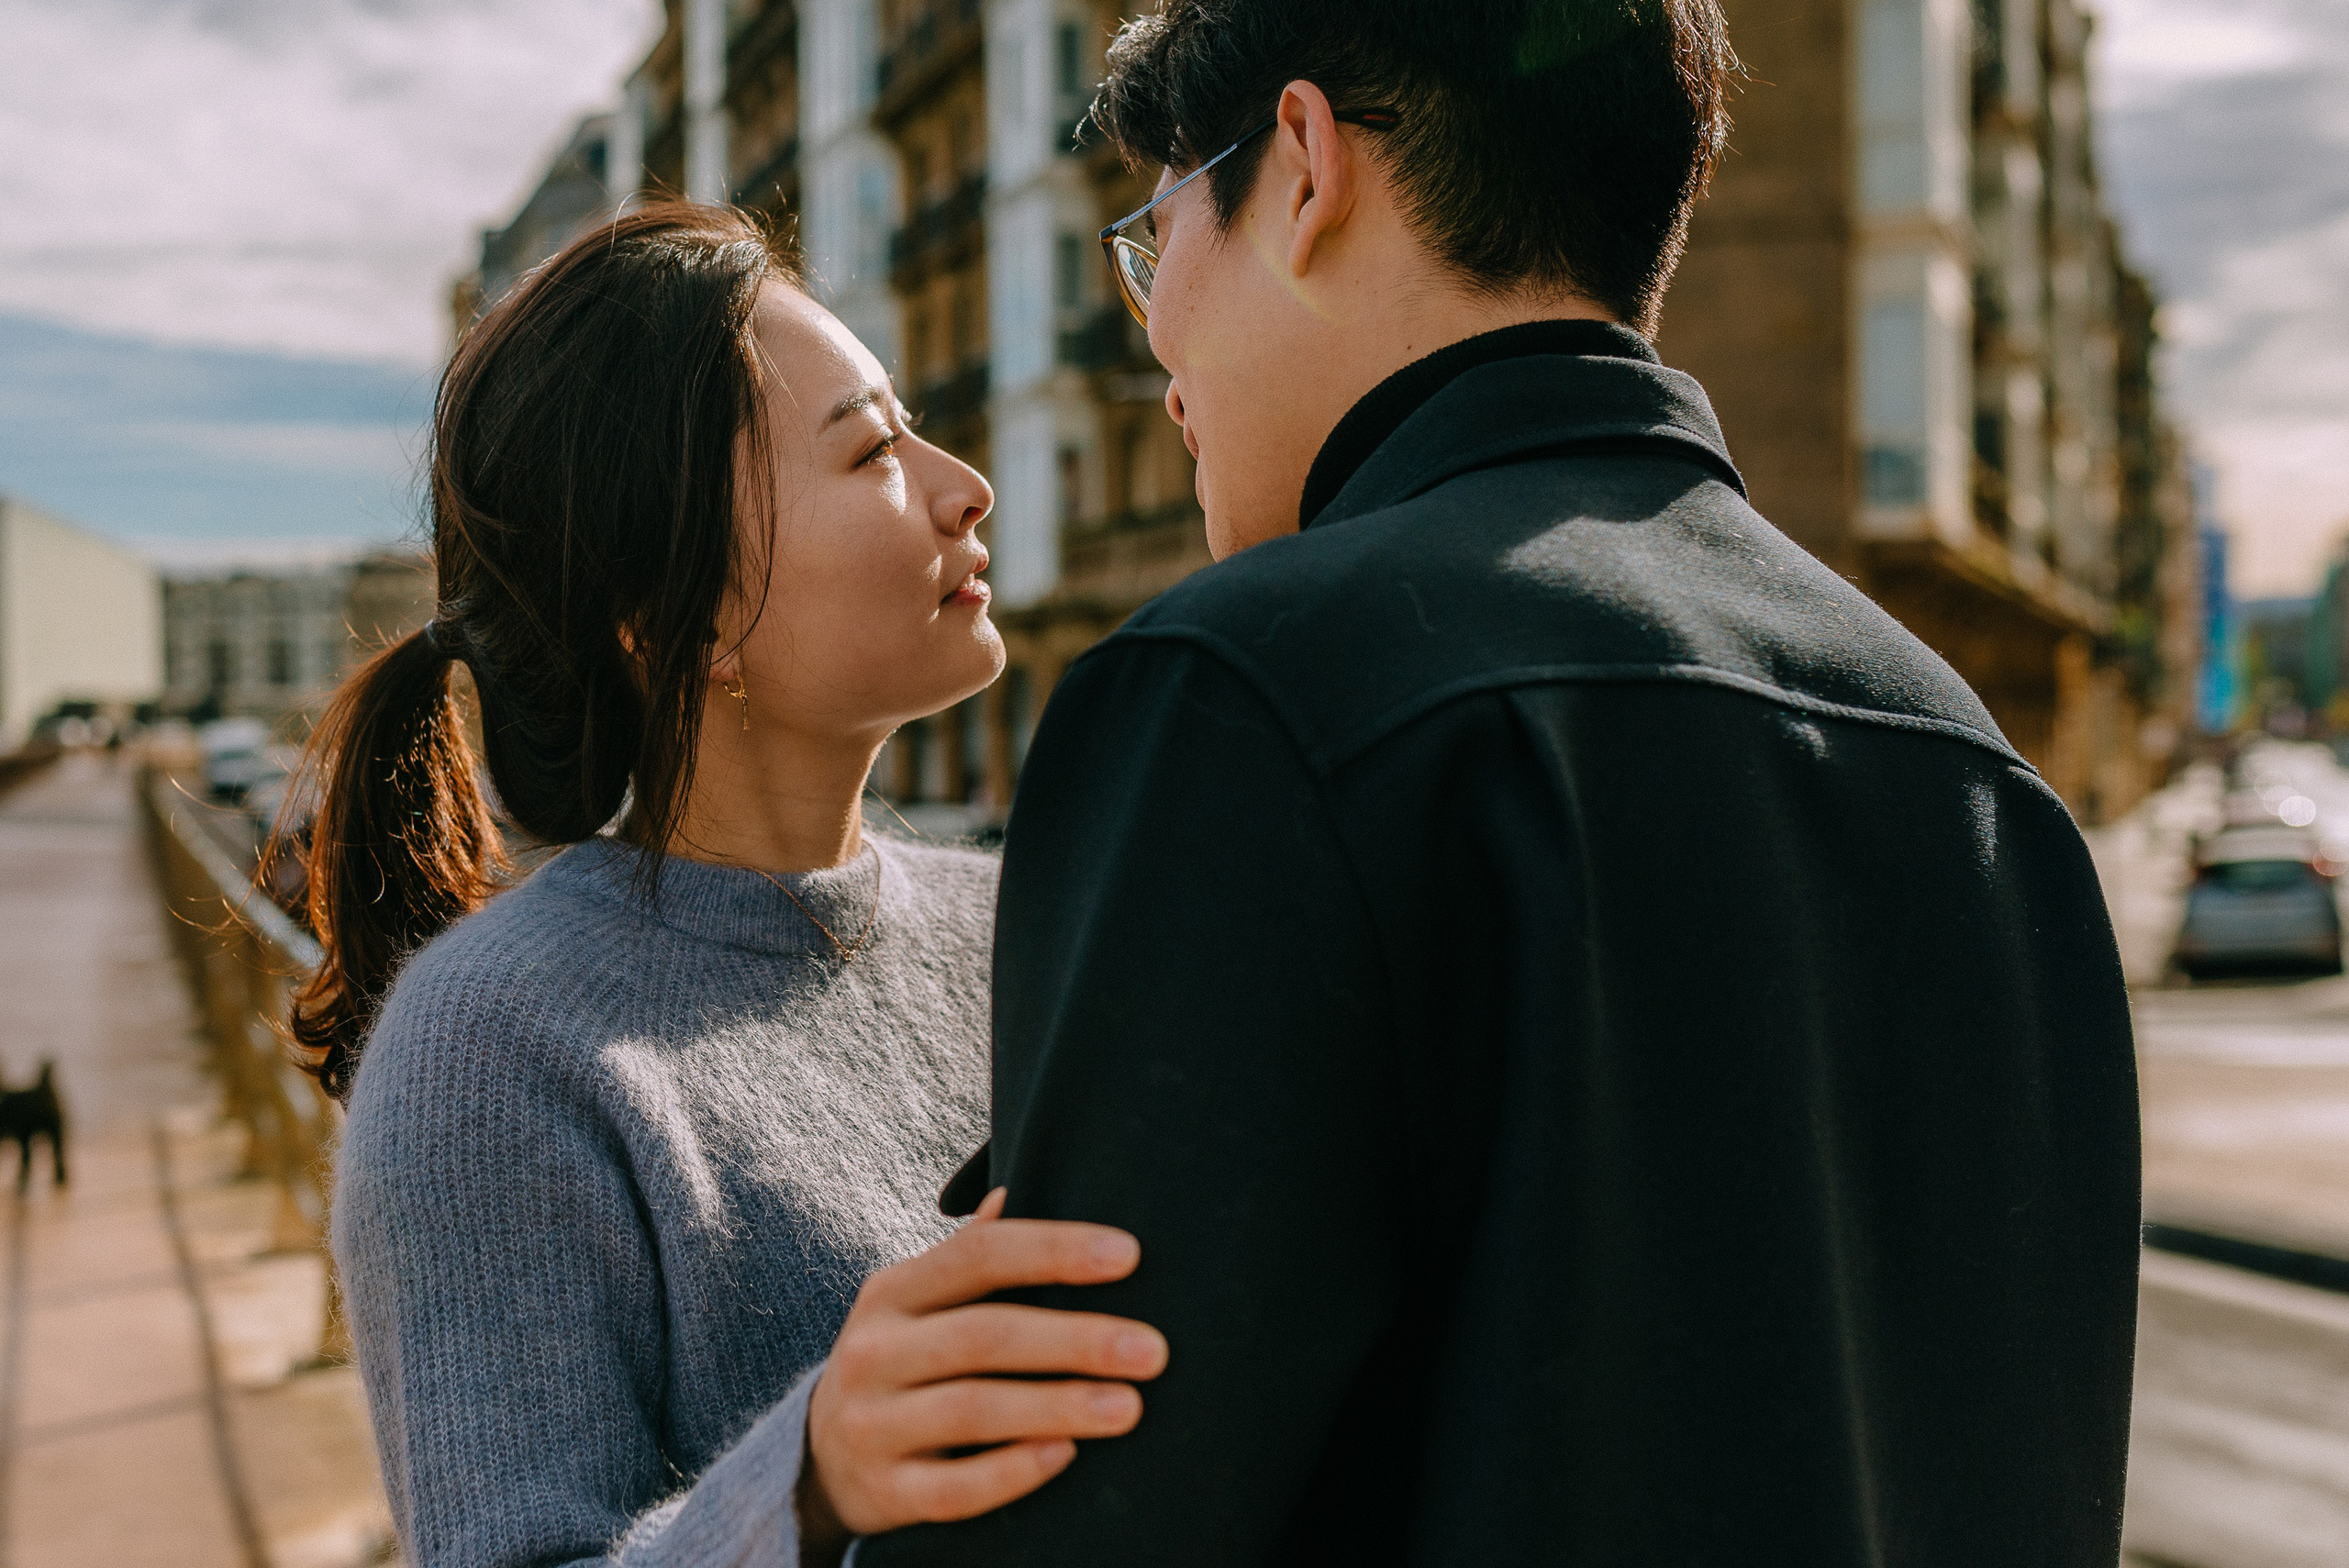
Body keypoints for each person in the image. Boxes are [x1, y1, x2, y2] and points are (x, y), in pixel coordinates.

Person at [852, 2, 2142, 1563]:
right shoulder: (1984, 783)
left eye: (1156, 234)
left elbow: (1070, 1524)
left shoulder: (1251, 692)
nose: (1157, 331)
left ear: (1309, 165)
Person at [306, 205, 1170, 1568]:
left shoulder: (1022, 925)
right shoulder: (489, 1050)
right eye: (875, 449)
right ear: (677, 612)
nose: (965, 484)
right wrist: (811, 1472)